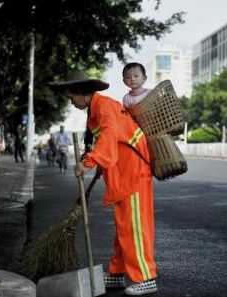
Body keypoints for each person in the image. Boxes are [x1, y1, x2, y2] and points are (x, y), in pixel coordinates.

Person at [49, 71, 157, 295]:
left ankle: (145, 277)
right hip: (123, 174)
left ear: (82, 93)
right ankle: (117, 273)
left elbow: (109, 137)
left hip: (133, 174)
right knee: (124, 228)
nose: (71, 102)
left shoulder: (104, 106)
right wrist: (99, 164)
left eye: (72, 98)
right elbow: (113, 142)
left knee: (135, 229)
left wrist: (88, 162)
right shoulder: (97, 108)